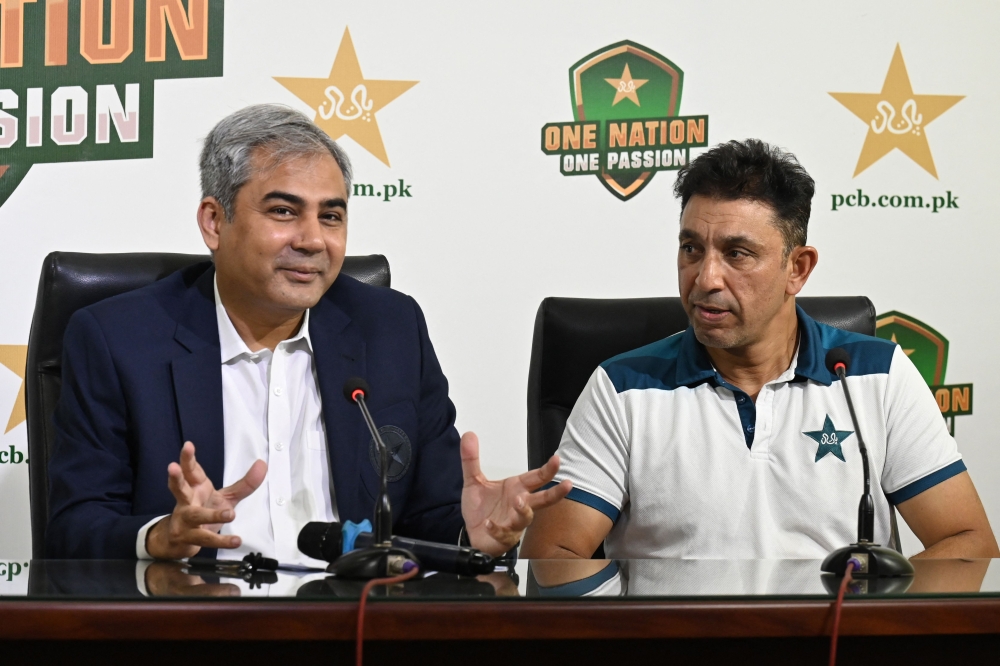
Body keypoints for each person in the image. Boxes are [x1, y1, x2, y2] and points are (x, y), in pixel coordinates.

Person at [46, 104, 570, 563]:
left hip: (352, 624)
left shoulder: (389, 331)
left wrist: (468, 532)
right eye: (283, 211)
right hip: (196, 625)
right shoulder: (119, 340)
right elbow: (75, 527)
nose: (314, 240)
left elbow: (426, 517)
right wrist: (161, 536)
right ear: (214, 221)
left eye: (332, 216)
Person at [521, 139, 998, 560]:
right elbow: (551, 554)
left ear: (798, 268)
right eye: (691, 249)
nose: (706, 279)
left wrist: (869, 620)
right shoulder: (622, 388)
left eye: (737, 254)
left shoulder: (875, 376)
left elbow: (968, 541)